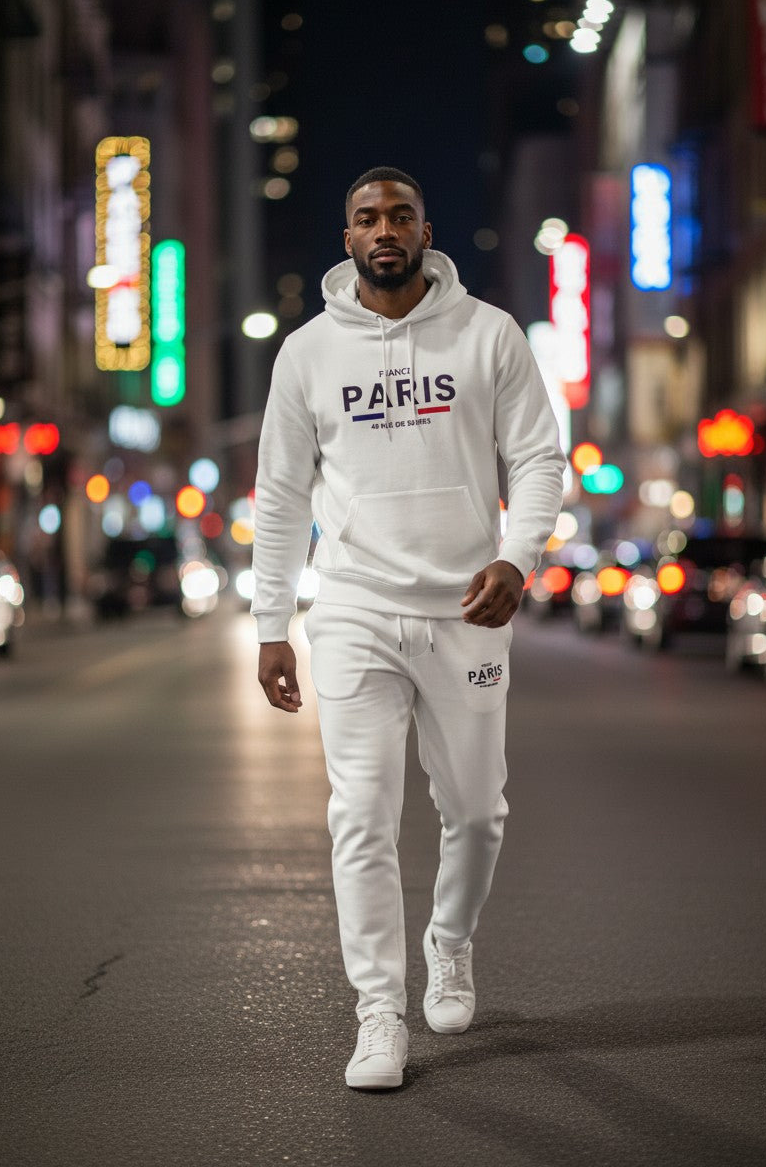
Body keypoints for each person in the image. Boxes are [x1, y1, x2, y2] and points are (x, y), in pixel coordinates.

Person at [252, 166, 565, 1090]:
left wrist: (519, 557)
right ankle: (378, 1015)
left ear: (425, 230)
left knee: (475, 811)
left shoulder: (489, 334)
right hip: (351, 607)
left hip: (466, 607)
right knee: (361, 816)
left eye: (398, 216)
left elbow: (538, 458)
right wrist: (273, 621)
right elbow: (280, 495)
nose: (382, 230)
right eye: (364, 218)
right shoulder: (308, 353)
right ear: (345, 241)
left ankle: (452, 942)